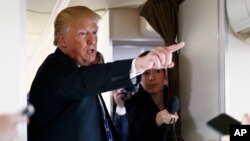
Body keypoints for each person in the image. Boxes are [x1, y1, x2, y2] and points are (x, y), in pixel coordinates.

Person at [27, 5, 184, 141]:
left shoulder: (78, 73)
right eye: (83, 33)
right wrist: (139, 64)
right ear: (62, 41)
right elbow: (87, 80)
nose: (92, 40)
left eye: (94, 33)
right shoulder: (55, 69)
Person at [113, 51, 179, 141]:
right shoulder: (131, 102)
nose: (152, 77)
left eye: (158, 71)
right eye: (146, 73)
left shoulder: (174, 97)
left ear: (165, 75)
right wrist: (158, 118)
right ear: (139, 78)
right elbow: (138, 124)